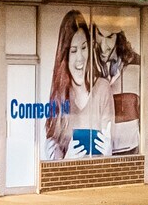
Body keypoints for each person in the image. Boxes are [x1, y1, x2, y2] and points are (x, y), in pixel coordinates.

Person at [45, 10, 116, 160]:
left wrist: (108, 151)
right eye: (73, 50)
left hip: (98, 174)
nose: (80, 58)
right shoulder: (59, 95)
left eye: (84, 48)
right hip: (69, 177)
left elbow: (109, 137)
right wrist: (67, 160)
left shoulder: (102, 88)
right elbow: (51, 155)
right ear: (64, 55)